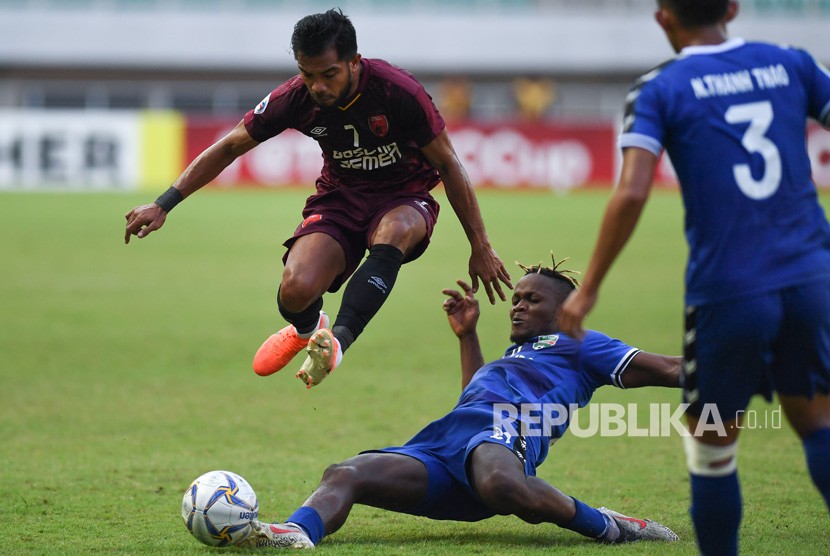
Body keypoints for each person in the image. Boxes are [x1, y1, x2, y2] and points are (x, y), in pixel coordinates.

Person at [557, 1, 830, 554]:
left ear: (662, 18)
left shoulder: (659, 87)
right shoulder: (792, 63)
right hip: (811, 278)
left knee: (712, 443)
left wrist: (587, 289)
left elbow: (633, 190)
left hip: (727, 290)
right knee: (816, 420)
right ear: (732, 7)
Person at [123, 9, 511, 388]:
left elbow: (448, 162)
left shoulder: (398, 92)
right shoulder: (295, 97)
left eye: (329, 74)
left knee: (397, 229)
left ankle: (337, 342)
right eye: (307, 75)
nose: (318, 86)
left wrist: (480, 244)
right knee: (294, 289)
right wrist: (164, 203)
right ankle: (310, 329)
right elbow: (229, 148)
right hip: (340, 198)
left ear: (354, 62)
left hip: (404, 196)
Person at [236, 260, 681, 549]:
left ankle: (608, 526)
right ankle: (296, 532)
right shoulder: (517, 355)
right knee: (345, 473)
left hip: (502, 437)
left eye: (532, 299)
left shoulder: (582, 344)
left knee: (500, 482)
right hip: (448, 443)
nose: (518, 306)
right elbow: (473, 398)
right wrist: (468, 336)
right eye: (516, 298)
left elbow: (667, 368)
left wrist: (734, 367)